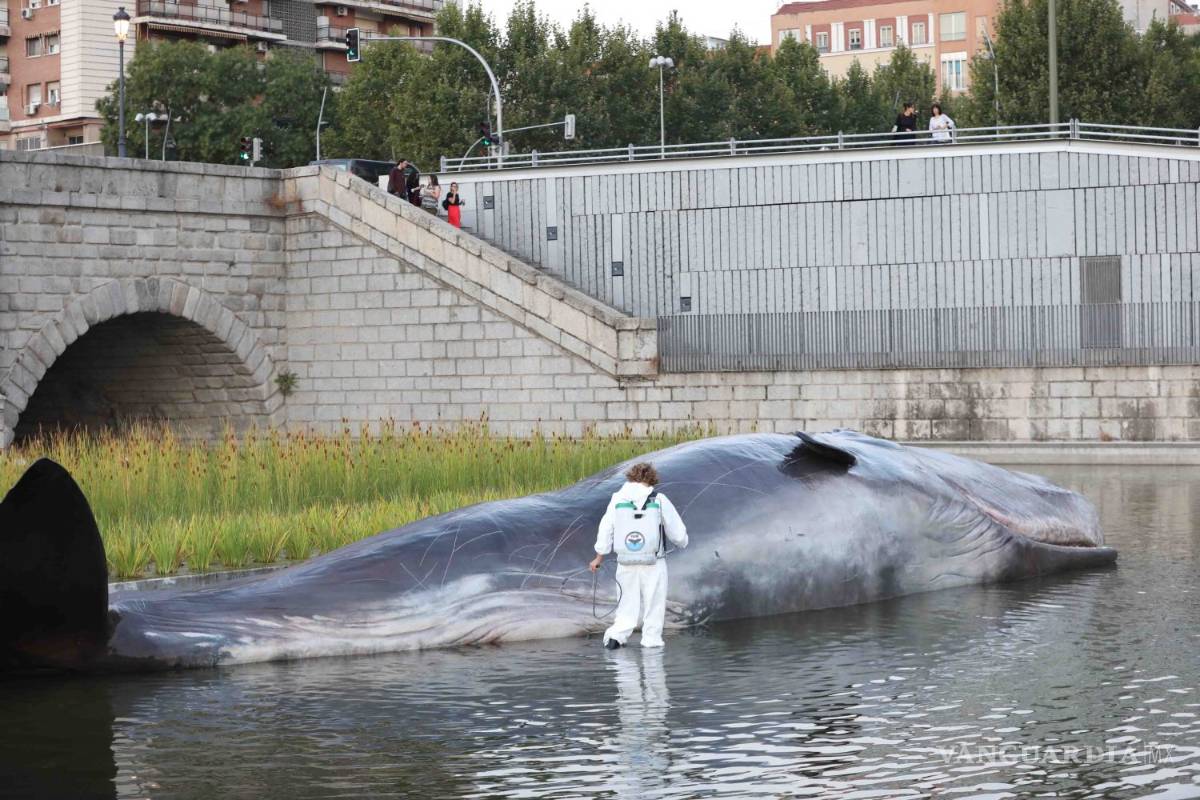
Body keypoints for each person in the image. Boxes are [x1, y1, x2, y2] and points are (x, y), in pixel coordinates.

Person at [589, 462, 687, 649]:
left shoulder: (617, 498)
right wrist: (683, 542)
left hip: (625, 561)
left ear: (631, 477)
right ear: (652, 479)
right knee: (654, 603)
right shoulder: (659, 499)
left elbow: (606, 529)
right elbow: (678, 533)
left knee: (626, 603)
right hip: (653, 562)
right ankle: (651, 642)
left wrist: (599, 557)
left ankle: (616, 637)